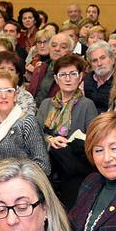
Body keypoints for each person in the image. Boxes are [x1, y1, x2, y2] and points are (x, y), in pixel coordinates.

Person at [40, 53, 98, 200]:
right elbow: (35, 133)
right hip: (48, 156)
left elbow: (93, 138)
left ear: (80, 77)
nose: (67, 78)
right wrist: (50, 140)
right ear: (56, 79)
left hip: (74, 160)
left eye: (73, 74)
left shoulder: (87, 105)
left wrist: (69, 142)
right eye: (63, 74)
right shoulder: (46, 104)